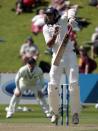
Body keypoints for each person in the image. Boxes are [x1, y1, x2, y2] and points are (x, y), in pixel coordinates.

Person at [43, 7, 80, 124]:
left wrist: (71, 19)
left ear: (55, 14)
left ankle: (75, 114)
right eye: (47, 15)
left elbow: (73, 9)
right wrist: (54, 35)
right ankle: (55, 113)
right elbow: (49, 45)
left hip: (70, 55)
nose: (48, 17)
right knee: (52, 85)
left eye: (50, 14)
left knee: (73, 84)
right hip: (57, 55)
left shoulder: (62, 20)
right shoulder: (46, 28)